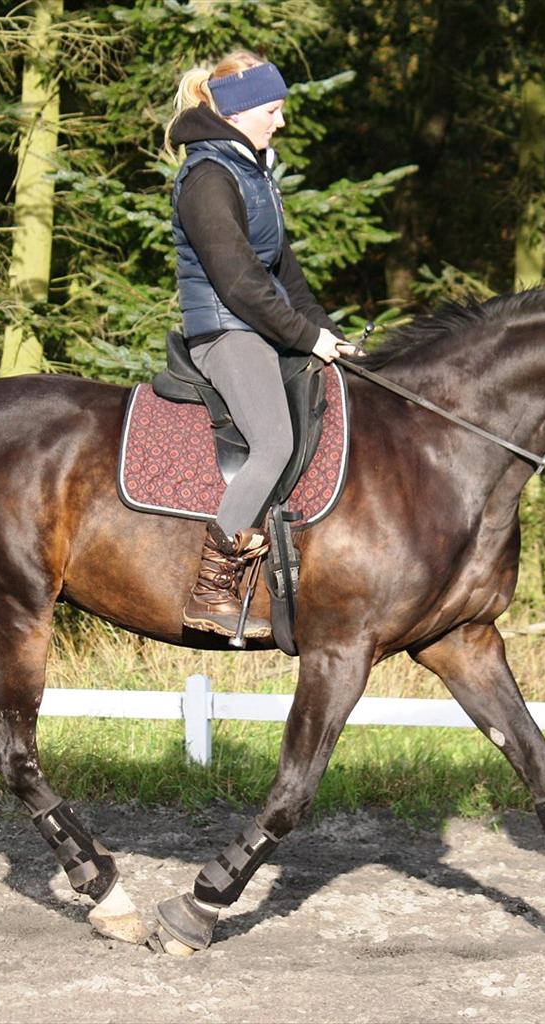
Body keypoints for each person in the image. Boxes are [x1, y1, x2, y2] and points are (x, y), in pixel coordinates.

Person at [164, 50, 361, 639]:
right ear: (239, 111)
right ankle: (212, 586)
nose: (280, 122)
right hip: (227, 331)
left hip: (259, 323)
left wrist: (330, 336)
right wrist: (304, 337)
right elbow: (240, 283)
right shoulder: (207, 177)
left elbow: (286, 276)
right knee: (273, 441)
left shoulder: (253, 171)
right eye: (272, 110)